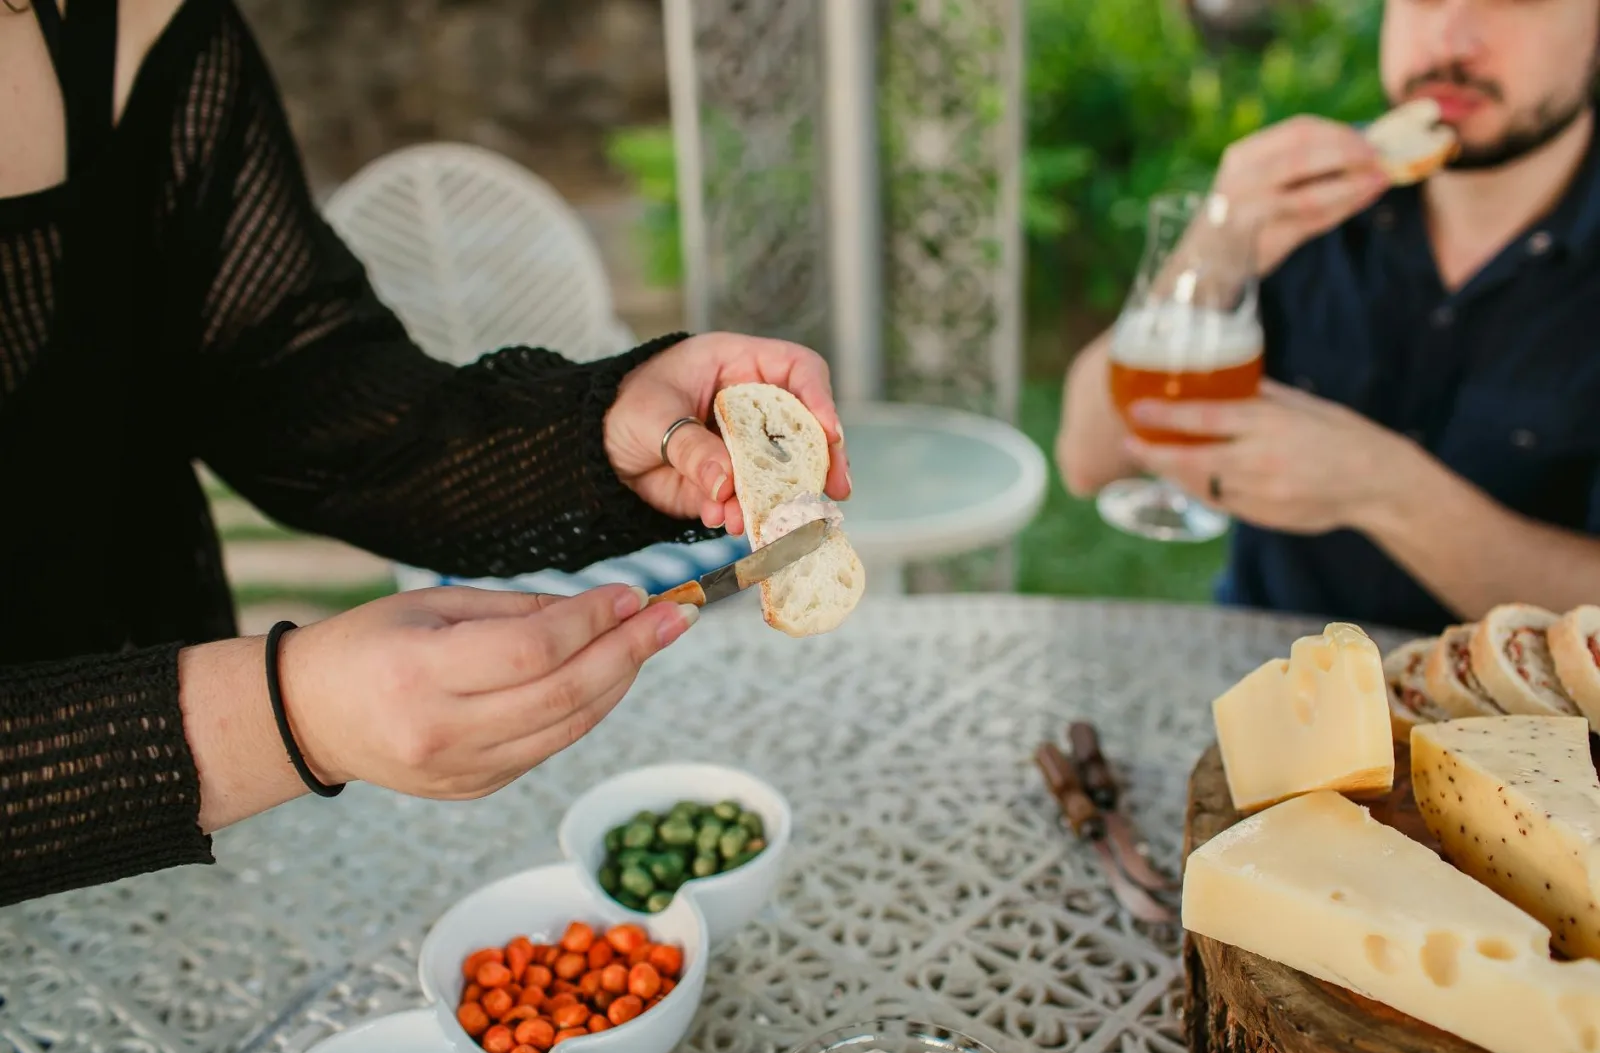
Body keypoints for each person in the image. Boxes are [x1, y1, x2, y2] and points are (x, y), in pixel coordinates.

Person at [0, 0, 850, 907]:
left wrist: (600, 432)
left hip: (176, 868)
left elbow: (316, 406)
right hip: (161, 807)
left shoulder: (144, 24)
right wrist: (282, 717)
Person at [1057, 0, 1600, 634]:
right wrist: (1214, 246)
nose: (1451, 40)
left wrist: (1386, 491)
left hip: (1510, 697)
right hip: (1265, 673)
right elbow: (1089, 458)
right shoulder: (1306, 190)